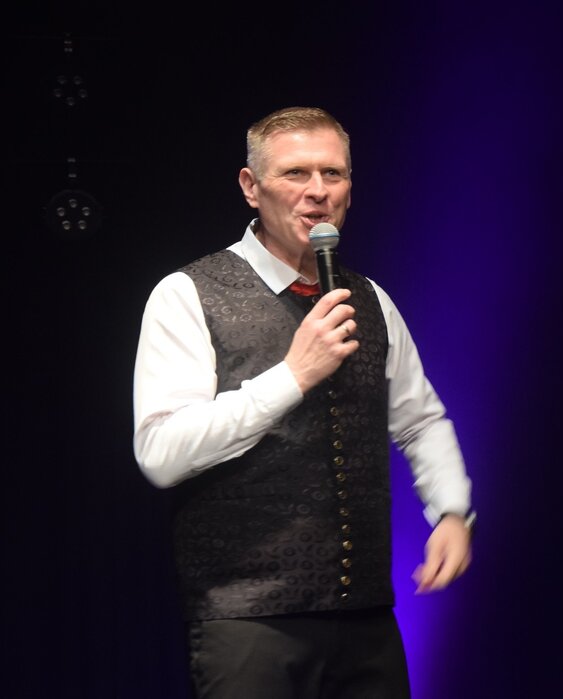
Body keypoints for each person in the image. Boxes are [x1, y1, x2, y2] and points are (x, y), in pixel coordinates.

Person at [132, 106, 474, 699]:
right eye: (295, 173)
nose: (318, 191)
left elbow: (420, 420)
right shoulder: (187, 294)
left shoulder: (370, 299)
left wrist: (451, 511)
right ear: (251, 187)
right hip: (248, 622)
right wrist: (292, 375)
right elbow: (161, 453)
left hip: (365, 619)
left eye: (332, 174)